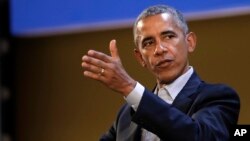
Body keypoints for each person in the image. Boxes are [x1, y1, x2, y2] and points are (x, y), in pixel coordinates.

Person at [81, 4, 240, 141]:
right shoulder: (126, 115)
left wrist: (129, 88)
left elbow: (199, 136)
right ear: (140, 58)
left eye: (169, 36)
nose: (159, 49)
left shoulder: (218, 97)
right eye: (149, 43)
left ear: (189, 42)